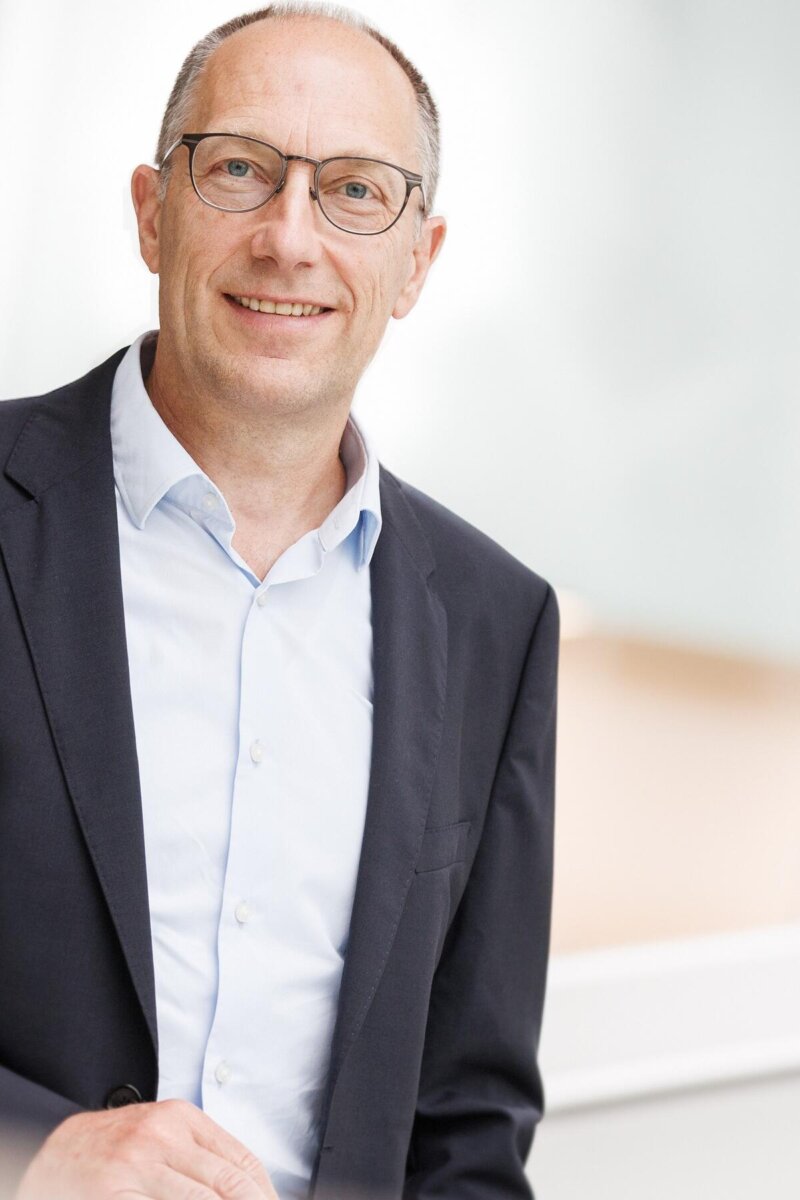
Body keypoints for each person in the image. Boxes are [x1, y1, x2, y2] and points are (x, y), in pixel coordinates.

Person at [0, 4, 559, 1198]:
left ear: (417, 263)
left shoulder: (494, 621)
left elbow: (466, 1125)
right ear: (153, 212)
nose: (289, 238)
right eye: (240, 171)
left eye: (354, 191)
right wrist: (24, 1151)